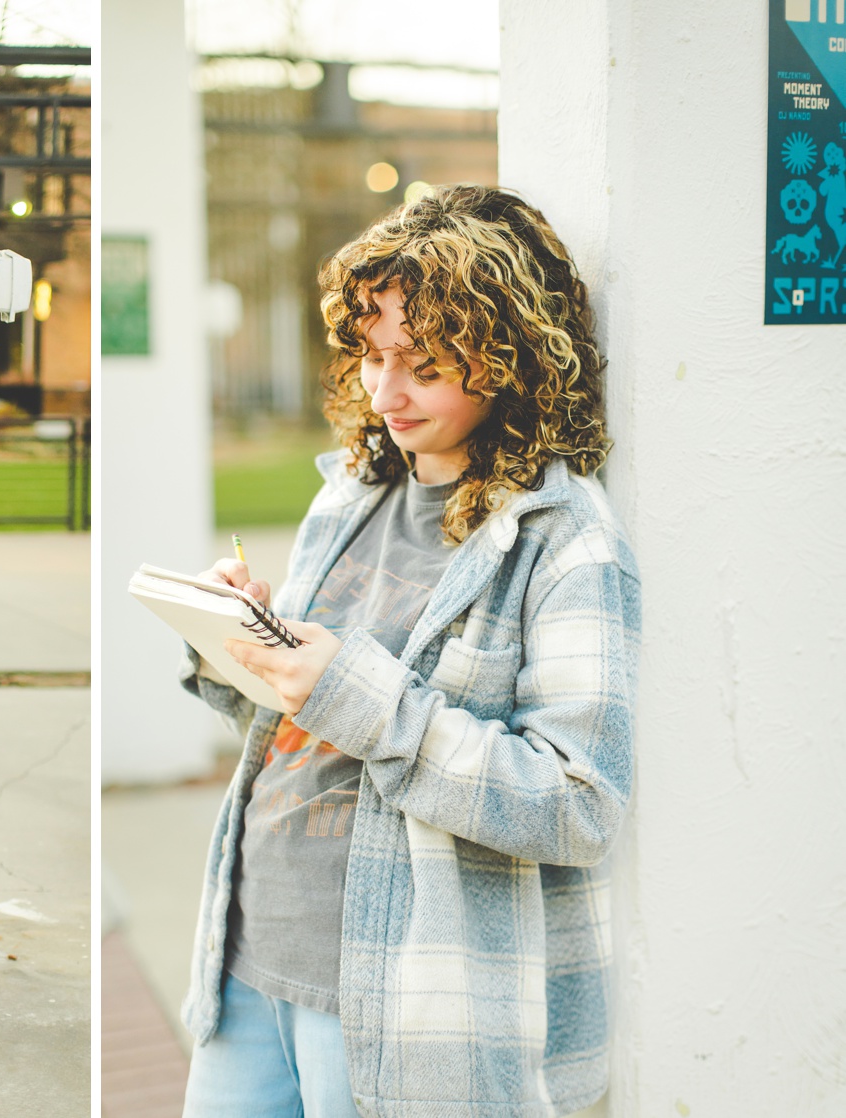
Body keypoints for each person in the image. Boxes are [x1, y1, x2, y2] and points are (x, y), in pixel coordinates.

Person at [179, 185, 641, 1117]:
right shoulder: (351, 493)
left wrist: (357, 692)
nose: (386, 393)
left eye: (423, 365)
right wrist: (237, 644)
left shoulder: (565, 541)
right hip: (246, 958)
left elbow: (578, 804)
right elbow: (297, 721)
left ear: (509, 358)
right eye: (374, 356)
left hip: (401, 1010)